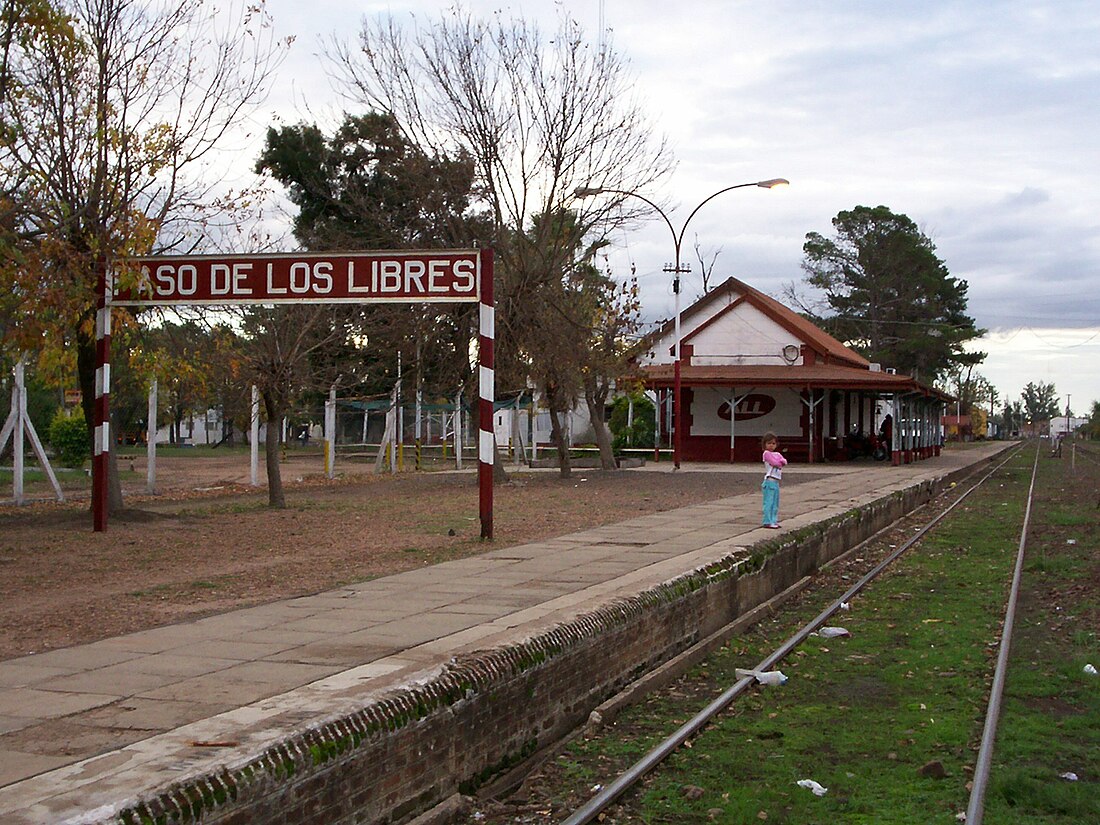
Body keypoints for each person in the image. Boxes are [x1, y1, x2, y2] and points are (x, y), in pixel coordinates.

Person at [761, 432, 787, 529]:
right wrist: (780, 462)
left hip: (776, 481)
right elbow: (775, 462)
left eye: (773, 443)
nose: (771, 445)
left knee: (775, 503)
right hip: (769, 481)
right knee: (769, 502)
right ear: (764, 445)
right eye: (769, 443)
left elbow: (784, 461)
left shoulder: (777, 453)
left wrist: (781, 462)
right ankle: (767, 521)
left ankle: (774, 520)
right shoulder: (766, 454)